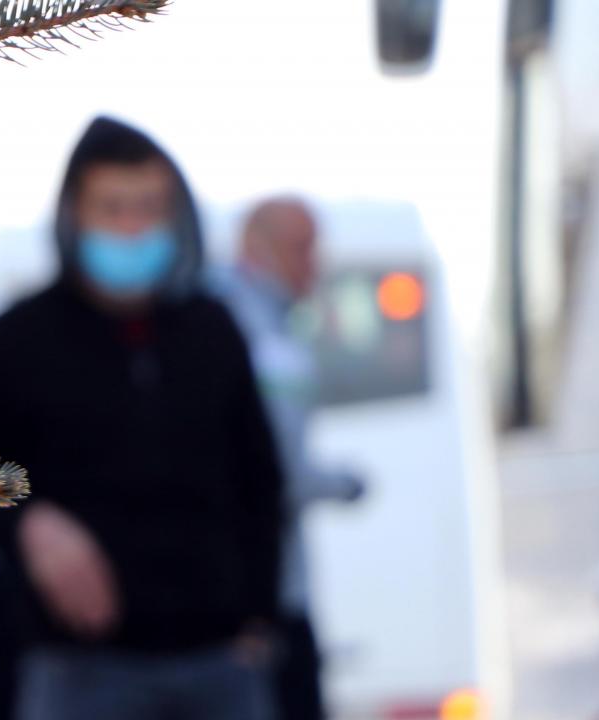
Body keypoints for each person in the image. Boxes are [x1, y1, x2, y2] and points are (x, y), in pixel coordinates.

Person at [0, 116, 285, 720]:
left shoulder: (214, 330)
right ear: (75, 216)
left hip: (218, 667)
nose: (132, 227)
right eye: (113, 208)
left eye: (149, 207)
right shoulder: (18, 337)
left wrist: (258, 618)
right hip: (77, 673)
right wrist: (28, 524)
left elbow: (262, 479)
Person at [216, 197, 366, 720]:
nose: (314, 264)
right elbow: (273, 471)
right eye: (302, 247)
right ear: (258, 248)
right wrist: (346, 484)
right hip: (258, 601)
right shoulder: (251, 334)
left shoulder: (268, 326)